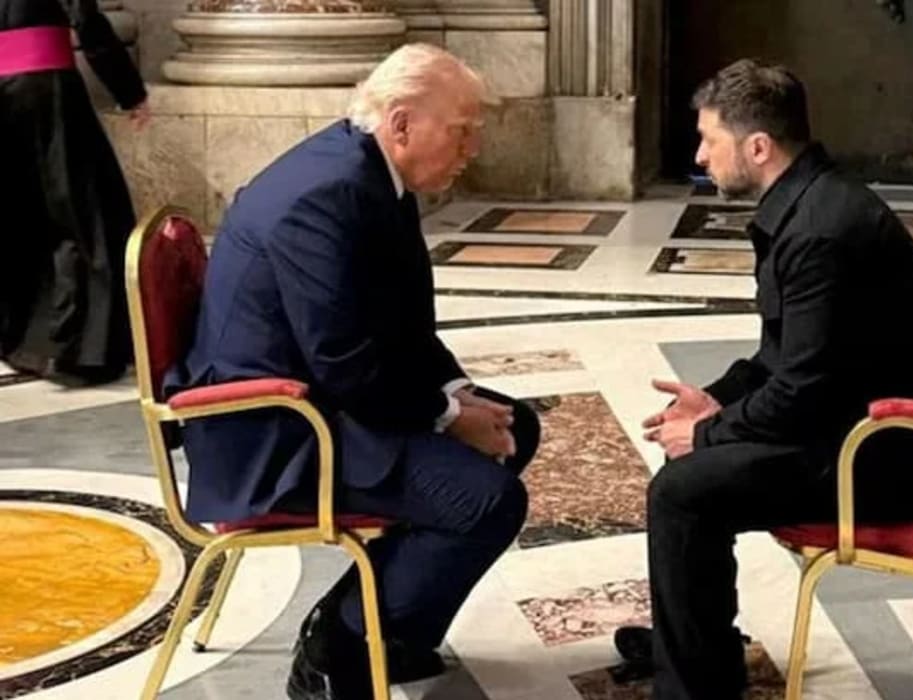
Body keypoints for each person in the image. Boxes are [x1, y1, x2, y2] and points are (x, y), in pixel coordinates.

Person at [164, 44, 540, 699]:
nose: (472, 146)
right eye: (462, 129)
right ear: (400, 123)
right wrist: (448, 417)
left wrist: (456, 394)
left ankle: (389, 626)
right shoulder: (329, 193)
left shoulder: (367, 171)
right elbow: (344, 361)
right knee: (488, 501)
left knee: (518, 427)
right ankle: (338, 643)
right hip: (272, 432)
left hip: (320, 399)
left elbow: (397, 325)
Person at [614, 59, 913, 699]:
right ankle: (694, 649)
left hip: (887, 458)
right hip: (855, 426)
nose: (699, 155)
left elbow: (801, 390)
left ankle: (695, 682)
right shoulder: (809, 205)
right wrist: (715, 399)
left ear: (757, 147)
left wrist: (710, 433)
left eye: (709, 141)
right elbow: (784, 357)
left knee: (683, 491)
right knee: (690, 483)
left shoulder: (820, 233)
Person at [0, 0, 150, 385]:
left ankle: (18, 337)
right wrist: (129, 90)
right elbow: (86, 20)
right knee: (85, 216)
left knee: (18, 214)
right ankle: (79, 348)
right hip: (46, 89)